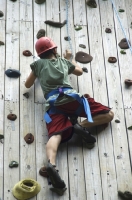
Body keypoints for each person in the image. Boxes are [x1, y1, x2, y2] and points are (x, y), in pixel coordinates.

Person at [25, 37, 114, 195]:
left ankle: (51, 164)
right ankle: (80, 126)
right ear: (54, 50)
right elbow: (79, 72)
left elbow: (27, 84)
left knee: (55, 134)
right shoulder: (64, 62)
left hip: (53, 105)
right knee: (108, 115)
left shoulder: (38, 65)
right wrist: (68, 58)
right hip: (72, 98)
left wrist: (39, 74)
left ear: (40, 54)